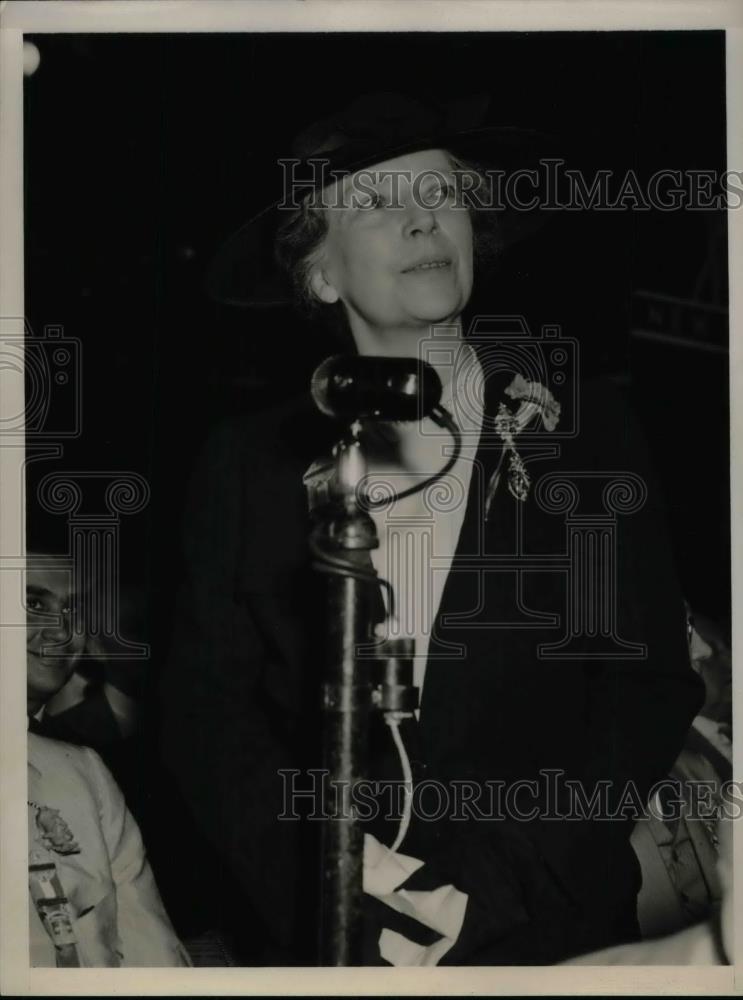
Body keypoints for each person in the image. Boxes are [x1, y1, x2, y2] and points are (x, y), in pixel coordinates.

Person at [162, 93, 704, 965]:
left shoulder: (583, 429)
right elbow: (207, 713)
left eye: (440, 195)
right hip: (328, 928)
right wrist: (322, 877)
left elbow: (645, 691)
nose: (421, 218)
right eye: (376, 204)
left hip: (542, 932)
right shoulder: (247, 463)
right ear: (320, 274)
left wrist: (487, 886)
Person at [26, 553, 190, 967]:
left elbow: (154, 954)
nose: (62, 630)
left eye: (74, 611)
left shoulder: (85, 772)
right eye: (33, 603)